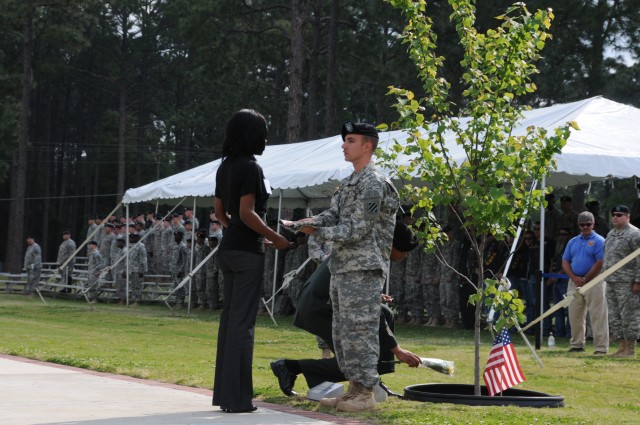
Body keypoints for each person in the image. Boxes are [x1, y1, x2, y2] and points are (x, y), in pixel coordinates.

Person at [284, 121, 399, 412]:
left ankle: (366, 393)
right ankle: (354, 389)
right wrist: (303, 224)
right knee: (343, 331)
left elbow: (359, 229)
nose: (343, 145)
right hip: (343, 266)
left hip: (363, 268)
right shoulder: (350, 183)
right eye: (345, 140)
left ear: (367, 146)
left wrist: (317, 233)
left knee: (361, 330)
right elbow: (333, 215)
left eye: (350, 140)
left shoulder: (373, 183)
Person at [270, 220, 421, 398]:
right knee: (355, 363)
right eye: (403, 250)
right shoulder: (368, 259)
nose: (405, 255)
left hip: (328, 303)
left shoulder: (366, 250)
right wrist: (398, 351)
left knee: (385, 313)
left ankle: (375, 380)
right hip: (319, 308)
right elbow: (371, 311)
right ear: (390, 243)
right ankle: (289, 367)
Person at [212, 109, 290, 413]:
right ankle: (238, 400)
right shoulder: (252, 168)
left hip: (229, 250)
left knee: (230, 322)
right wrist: (277, 238)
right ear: (252, 135)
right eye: (264, 131)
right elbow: (247, 212)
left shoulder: (225, 167)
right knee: (243, 326)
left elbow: (221, 213)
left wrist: (240, 233)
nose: (267, 137)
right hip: (246, 255)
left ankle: (224, 396)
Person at [562, 211, 608, 354]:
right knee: (574, 315)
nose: (585, 227)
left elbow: (600, 261)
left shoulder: (600, 241)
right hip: (574, 281)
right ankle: (577, 344)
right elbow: (565, 261)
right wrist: (574, 277)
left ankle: (601, 348)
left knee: (598, 315)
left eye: (588, 224)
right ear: (578, 225)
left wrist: (586, 278)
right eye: (582, 224)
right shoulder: (573, 241)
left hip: (594, 281)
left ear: (593, 224)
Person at [603, 205, 640, 358]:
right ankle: (621, 347)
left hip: (627, 282)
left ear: (627, 217)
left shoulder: (634, 234)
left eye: (619, 214)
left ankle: (630, 349)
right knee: (614, 315)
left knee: (628, 315)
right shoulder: (611, 234)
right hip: (611, 281)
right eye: (614, 214)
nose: (615, 217)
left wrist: (638, 281)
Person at [127, 232, 147, 306]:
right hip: (132, 269)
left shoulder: (141, 246)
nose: (131, 239)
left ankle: (138, 300)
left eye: (133, 238)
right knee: (133, 285)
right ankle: (134, 299)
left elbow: (143, 259)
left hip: (138, 269)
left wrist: (142, 270)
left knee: (138, 285)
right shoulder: (131, 246)